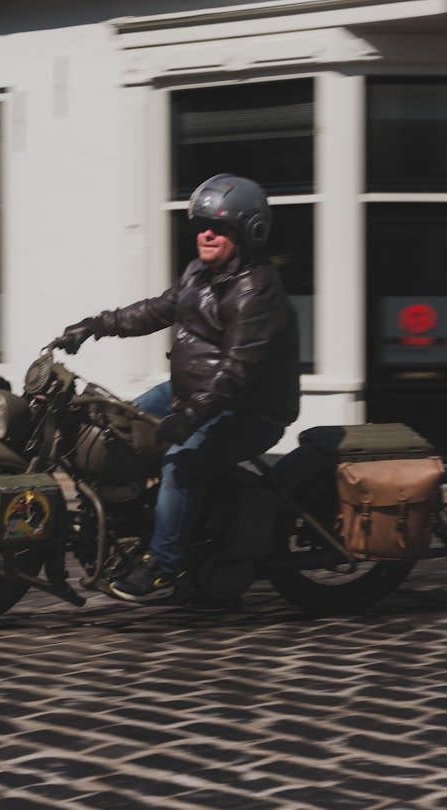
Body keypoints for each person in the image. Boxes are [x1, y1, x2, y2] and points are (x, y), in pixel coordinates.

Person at [58, 173, 301, 602]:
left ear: (249, 232)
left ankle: (164, 565)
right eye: (202, 224)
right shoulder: (198, 274)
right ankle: (130, 525)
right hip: (190, 394)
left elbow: (236, 373)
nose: (205, 233)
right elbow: (154, 311)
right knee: (114, 430)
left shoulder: (256, 293)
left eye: (219, 227)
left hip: (249, 410)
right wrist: (95, 326)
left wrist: (187, 419)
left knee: (181, 463)